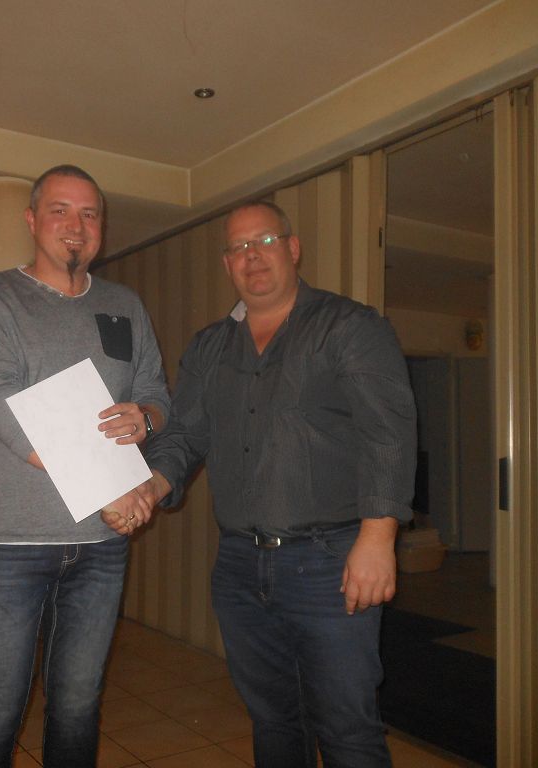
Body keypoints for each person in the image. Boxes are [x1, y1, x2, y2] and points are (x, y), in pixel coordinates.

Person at [107, 200, 417, 767]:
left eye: (265, 241)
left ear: (293, 249)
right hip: (239, 568)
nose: (252, 256)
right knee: (274, 721)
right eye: (239, 248)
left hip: (330, 563)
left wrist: (378, 538)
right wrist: (148, 488)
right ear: (227, 264)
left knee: (347, 729)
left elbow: (387, 433)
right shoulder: (209, 346)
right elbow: (186, 436)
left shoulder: (350, 326)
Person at [0, 164, 170, 768]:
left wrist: (146, 419)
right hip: (8, 543)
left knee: (77, 706)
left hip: (102, 544)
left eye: (89, 213)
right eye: (60, 210)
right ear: (31, 220)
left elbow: (156, 392)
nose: (76, 225)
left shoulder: (124, 305)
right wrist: (103, 483)